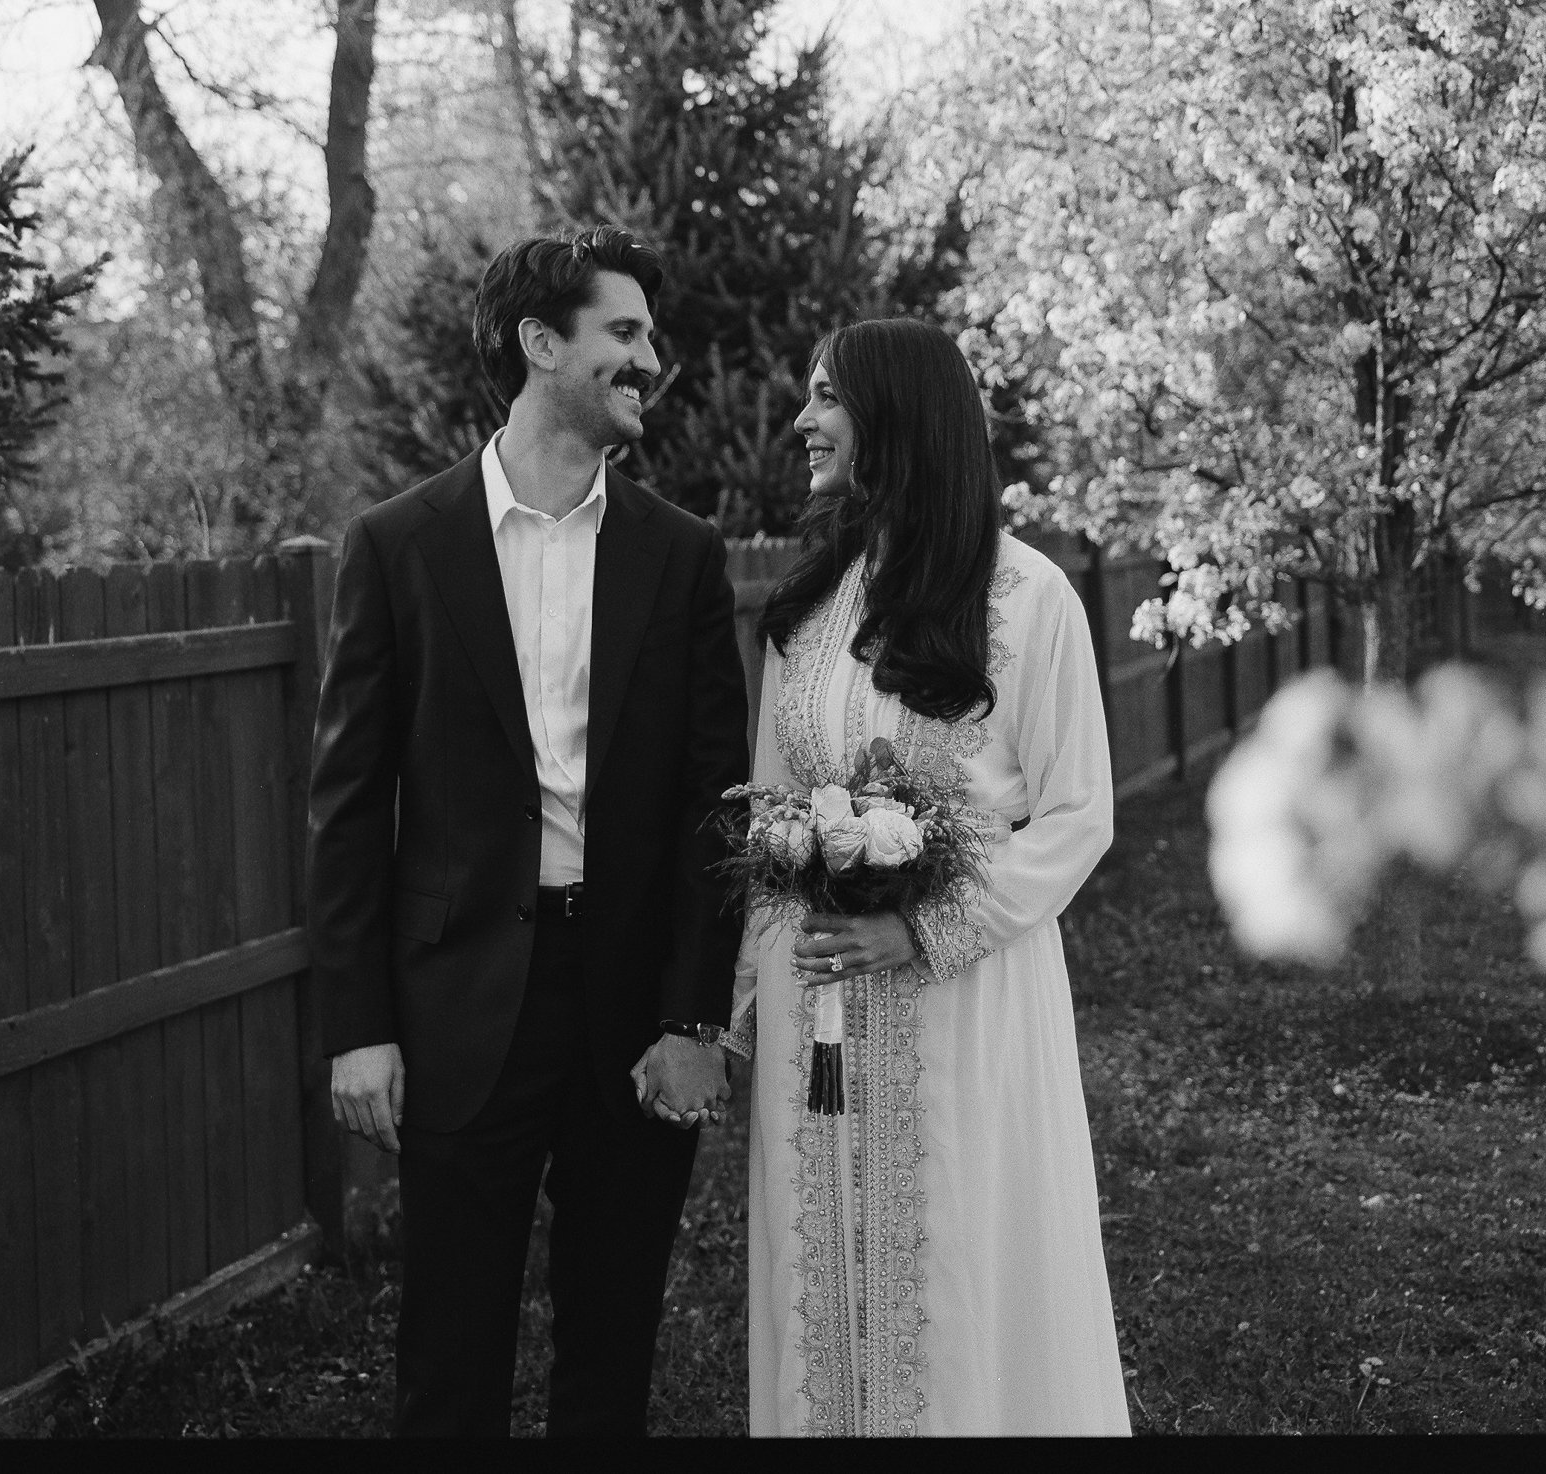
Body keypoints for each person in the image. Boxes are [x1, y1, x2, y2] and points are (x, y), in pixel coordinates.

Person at [306, 226, 751, 1437]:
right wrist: (360, 1029)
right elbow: (347, 808)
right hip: (461, 1009)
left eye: (649, 336)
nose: (650, 358)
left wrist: (693, 1015)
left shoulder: (682, 555)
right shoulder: (399, 545)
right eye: (624, 333)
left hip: (630, 1008)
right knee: (449, 1360)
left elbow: (717, 804)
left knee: (610, 1357)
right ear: (539, 343)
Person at [726, 318, 1130, 1436]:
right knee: (824, 1298)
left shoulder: (1027, 597)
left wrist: (924, 928)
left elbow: (1080, 812)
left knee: (960, 1274)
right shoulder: (805, 616)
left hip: (972, 1005)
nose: (802, 421)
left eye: (825, 398)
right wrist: (742, 1018)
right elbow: (767, 816)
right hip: (818, 1023)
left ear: (896, 414)